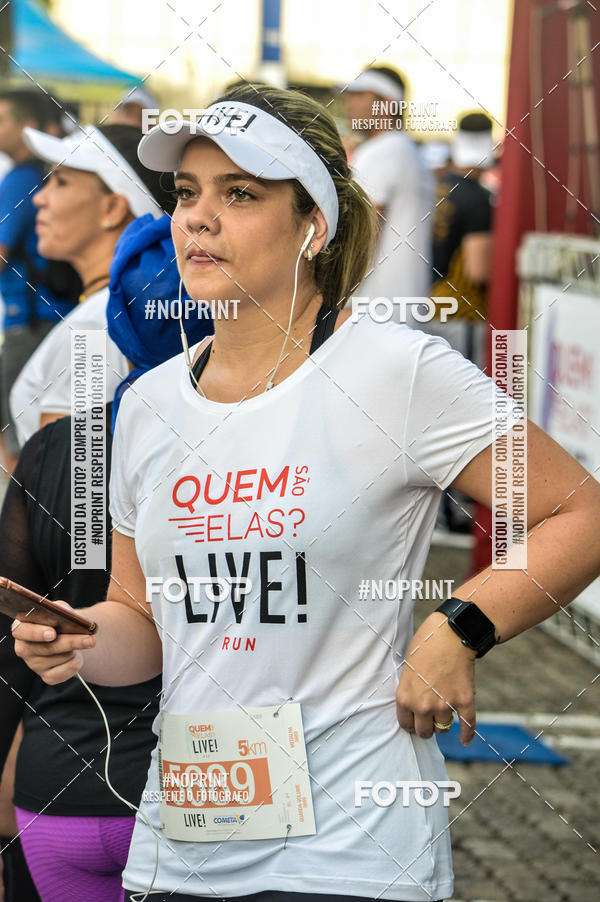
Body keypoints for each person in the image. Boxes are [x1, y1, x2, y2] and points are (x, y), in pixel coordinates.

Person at [12, 85, 600, 902]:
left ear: (313, 224)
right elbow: (139, 620)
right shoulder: (146, 405)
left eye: (240, 194)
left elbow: (581, 510)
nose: (197, 219)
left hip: (351, 852)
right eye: (187, 195)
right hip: (183, 845)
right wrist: (75, 639)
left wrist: (461, 625)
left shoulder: (395, 373)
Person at [0, 212, 212, 902]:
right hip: (212, 794)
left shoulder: (57, 450)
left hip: (55, 787)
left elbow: (12, 650)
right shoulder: (247, 455)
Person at [9, 122, 173, 448]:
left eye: (61, 182)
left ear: (112, 208)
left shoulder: (96, 325)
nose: (39, 198)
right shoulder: (114, 312)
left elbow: (81, 488)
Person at [0, 88, 79, 472]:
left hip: (29, 319)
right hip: (52, 314)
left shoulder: (19, 179)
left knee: (18, 438)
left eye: (2, 120)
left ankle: (21, 525)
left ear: (26, 126)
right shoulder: (40, 174)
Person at [343, 66, 434, 315]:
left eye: (361, 95)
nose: (350, 104)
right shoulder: (406, 150)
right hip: (399, 311)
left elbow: (363, 231)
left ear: (387, 104)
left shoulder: (383, 150)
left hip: (374, 313)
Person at [429, 111, 495, 365]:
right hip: (462, 315)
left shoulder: (436, 187)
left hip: (425, 306)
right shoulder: (478, 199)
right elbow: (479, 269)